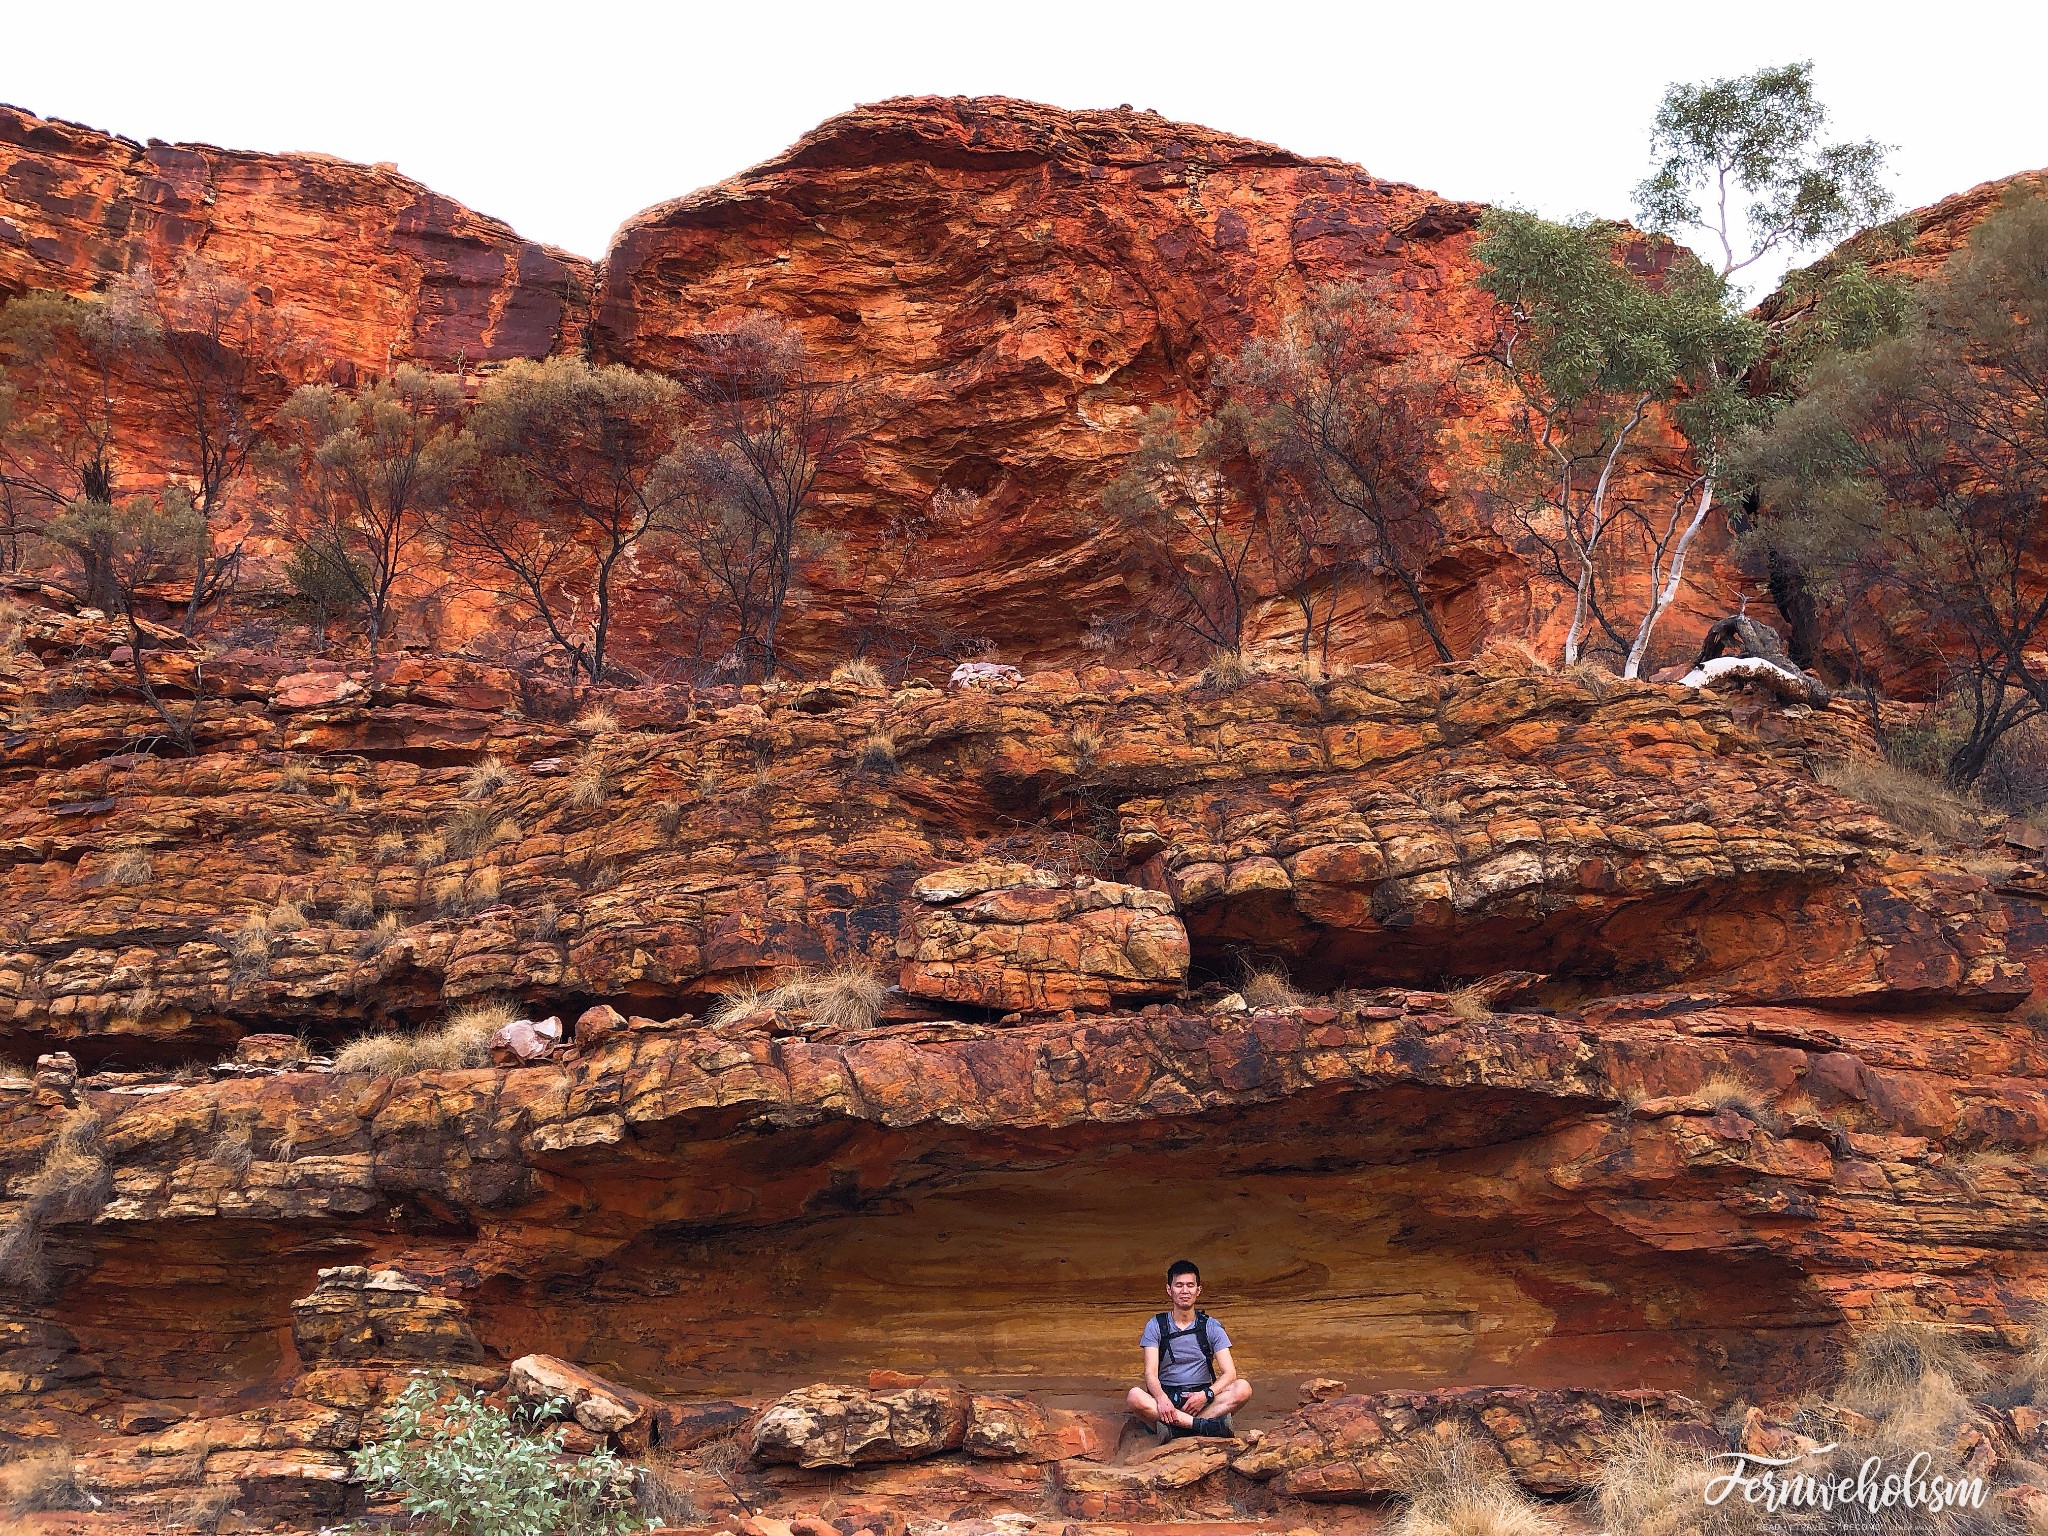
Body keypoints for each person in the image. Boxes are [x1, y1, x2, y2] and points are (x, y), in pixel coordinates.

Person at [1125, 1258, 1253, 1437]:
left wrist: (1206, 1395)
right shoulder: (1156, 1325)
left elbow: (1230, 1373)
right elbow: (1150, 1373)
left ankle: (1175, 1429)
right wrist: (1161, 1399)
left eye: (1190, 1285)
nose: (1185, 1291)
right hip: (1168, 1398)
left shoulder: (1211, 1326)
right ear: (1169, 1289)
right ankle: (1202, 1426)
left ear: (1198, 1290)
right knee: (1135, 1396)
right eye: (1179, 1285)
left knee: (1243, 1388)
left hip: (1201, 1398)